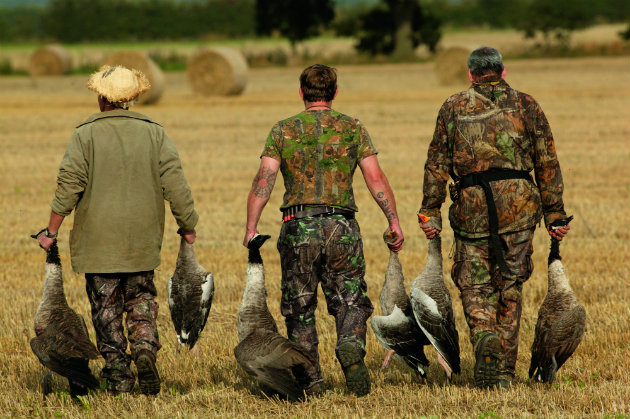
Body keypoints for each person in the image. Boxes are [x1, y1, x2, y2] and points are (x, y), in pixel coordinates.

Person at [35, 65, 199, 396]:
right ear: (132, 99)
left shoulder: (84, 134)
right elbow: (176, 185)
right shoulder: (155, 133)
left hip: (98, 247)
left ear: (101, 98)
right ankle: (144, 349)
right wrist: (188, 225)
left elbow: (69, 187)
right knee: (141, 300)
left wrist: (50, 231)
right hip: (141, 242)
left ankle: (118, 378)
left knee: (105, 311)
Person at [243, 64, 404, 397]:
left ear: (302, 93)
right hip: (341, 224)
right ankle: (349, 345)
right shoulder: (352, 128)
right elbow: (375, 178)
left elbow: (265, 179)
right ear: (334, 93)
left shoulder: (283, 130)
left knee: (299, 307)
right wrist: (393, 220)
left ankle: (311, 380)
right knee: (350, 300)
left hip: (297, 226)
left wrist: (251, 227)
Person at [418, 47, 570, 388]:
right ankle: (502, 371)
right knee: (510, 286)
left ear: (471, 74)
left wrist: (430, 210)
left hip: (471, 205)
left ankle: (484, 334)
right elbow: (547, 162)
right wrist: (555, 215)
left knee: (474, 282)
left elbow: (437, 164)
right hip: (518, 205)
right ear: (503, 70)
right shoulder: (527, 104)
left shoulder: (454, 106)